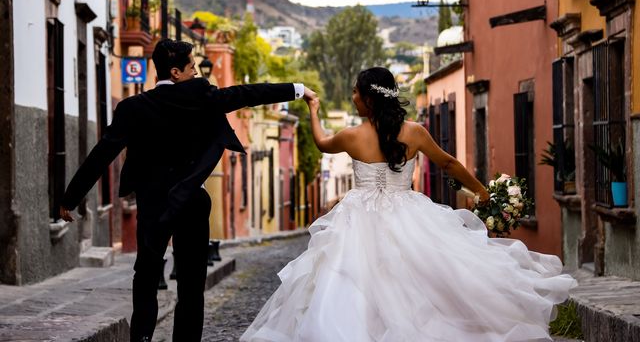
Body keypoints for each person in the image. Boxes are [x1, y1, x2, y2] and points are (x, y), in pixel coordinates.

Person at [241, 66, 577, 342]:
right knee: (421, 278)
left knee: (353, 279)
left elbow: (320, 142)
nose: (353, 97)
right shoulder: (414, 132)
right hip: (409, 213)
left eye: (357, 92)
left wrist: (313, 110)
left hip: (358, 218)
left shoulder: (350, 136)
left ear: (370, 99)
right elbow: (448, 163)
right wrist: (481, 191)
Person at [59, 39, 315, 342]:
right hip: (192, 201)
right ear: (176, 71)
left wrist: (70, 198)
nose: (196, 72)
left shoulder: (132, 108)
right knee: (192, 286)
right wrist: (297, 89)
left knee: (146, 278)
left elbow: (103, 152)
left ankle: (141, 338)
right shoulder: (202, 97)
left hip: (153, 203)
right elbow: (248, 94)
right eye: (192, 67)